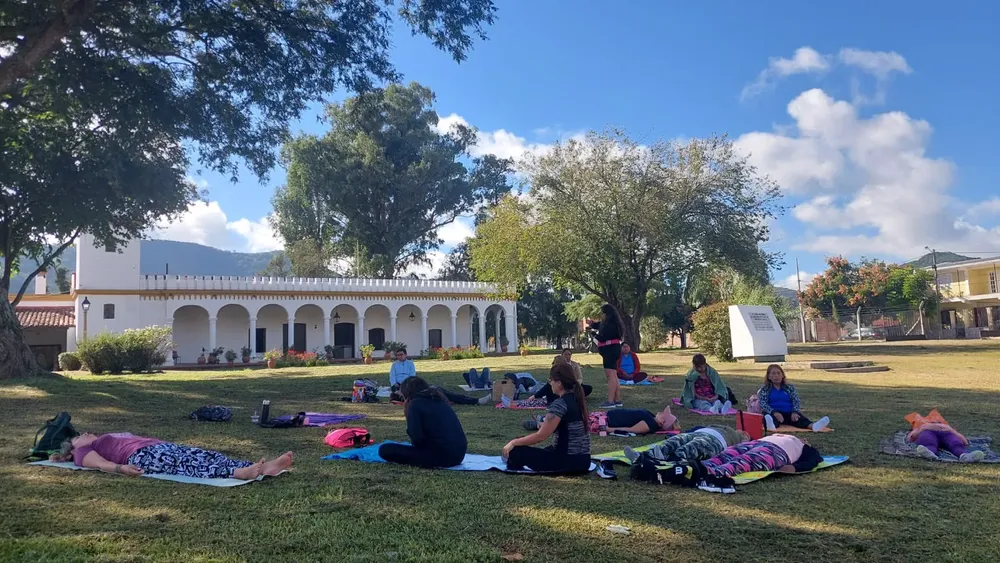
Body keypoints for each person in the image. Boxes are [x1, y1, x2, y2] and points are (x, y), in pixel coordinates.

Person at [50, 432, 293, 479]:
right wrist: (121, 469)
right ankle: (237, 472)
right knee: (188, 464)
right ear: (72, 449)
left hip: (159, 446)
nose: (84, 434)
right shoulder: (81, 453)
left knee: (204, 454)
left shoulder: (101, 437)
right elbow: (101, 464)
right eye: (78, 436)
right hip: (142, 456)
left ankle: (266, 466)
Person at [502, 363, 591, 473]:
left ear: (559, 383)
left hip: (567, 461)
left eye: (551, 380)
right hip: (584, 461)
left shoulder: (560, 404)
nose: (550, 384)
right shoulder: (579, 400)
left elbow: (540, 436)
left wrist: (514, 442)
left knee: (515, 451)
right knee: (531, 447)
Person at [379, 377, 468, 468]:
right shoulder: (440, 399)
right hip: (459, 455)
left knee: (384, 449)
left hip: (441, 456)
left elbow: (416, 437)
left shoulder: (414, 404)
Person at [757, 364, 830, 432]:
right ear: (769, 376)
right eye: (773, 373)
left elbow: (796, 400)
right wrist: (774, 412)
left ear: (782, 375)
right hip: (773, 412)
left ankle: (813, 426)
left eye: (778, 373)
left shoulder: (789, 387)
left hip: (789, 412)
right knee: (769, 418)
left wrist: (794, 412)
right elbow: (763, 403)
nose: (776, 376)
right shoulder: (765, 389)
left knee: (799, 419)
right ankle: (770, 425)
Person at [625, 425, 750, 463]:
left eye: (746, 435)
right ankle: (642, 456)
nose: (744, 433)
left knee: (692, 448)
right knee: (674, 441)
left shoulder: (740, 440)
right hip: (701, 432)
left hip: (716, 441)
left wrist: (745, 440)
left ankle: (669, 461)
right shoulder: (723, 427)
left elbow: (744, 448)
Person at [905, 409, 985, 463]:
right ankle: (930, 454)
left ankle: (965, 456)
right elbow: (910, 437)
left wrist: (950, 430)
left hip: (946, 432)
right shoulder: (921, 426)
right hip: (927, 431)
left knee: (955, 442)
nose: (933, 419)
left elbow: (964, 441)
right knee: (928, 440)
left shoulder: (946, 427)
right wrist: (923, 428)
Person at [589, 304, 625, 409]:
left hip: (609, 350)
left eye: (602, 313)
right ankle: (617, 399)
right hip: (613, 349)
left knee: (610, 376)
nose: (601, 315)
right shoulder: (614, 323)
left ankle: (610, 401)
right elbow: (598, 325)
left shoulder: (610, 325)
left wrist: (593, 334)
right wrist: (592, 324)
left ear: (606, 314)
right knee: (614, 375)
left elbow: (602, 337)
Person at [605, 406, 679, 435]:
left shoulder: (650, 424)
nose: (662, 412)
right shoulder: (652, 418)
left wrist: (608, 429)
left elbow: (630, 430)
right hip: (607, 415)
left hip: (607, 420)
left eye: (664, 414)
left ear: (662, 422)